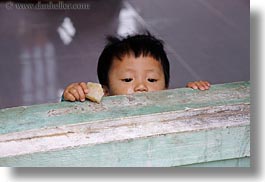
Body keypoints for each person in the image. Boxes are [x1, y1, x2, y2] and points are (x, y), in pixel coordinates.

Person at [62, 33, 210, 102]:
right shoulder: (100, 110)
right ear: (105, 91)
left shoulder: (168, 106)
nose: (141, 86)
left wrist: (194, 94)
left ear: (166, 88)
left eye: (151, 79)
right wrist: (74, 96)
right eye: (128, 79)